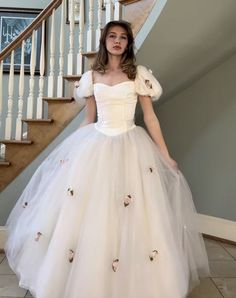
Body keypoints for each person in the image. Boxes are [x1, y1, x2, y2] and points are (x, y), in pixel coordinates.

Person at [5, 20, 210, 298]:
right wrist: (67, 155)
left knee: (137, 214)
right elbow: (89, 119)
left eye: (123, 37)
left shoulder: (138, 74)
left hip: (131, 144)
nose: (117, 41)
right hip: (97, 143)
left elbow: (149, 117)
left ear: (128, 44)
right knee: (95, 214)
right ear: (104, 41)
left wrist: (165, 155)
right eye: (112, 36)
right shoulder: (91, 77)